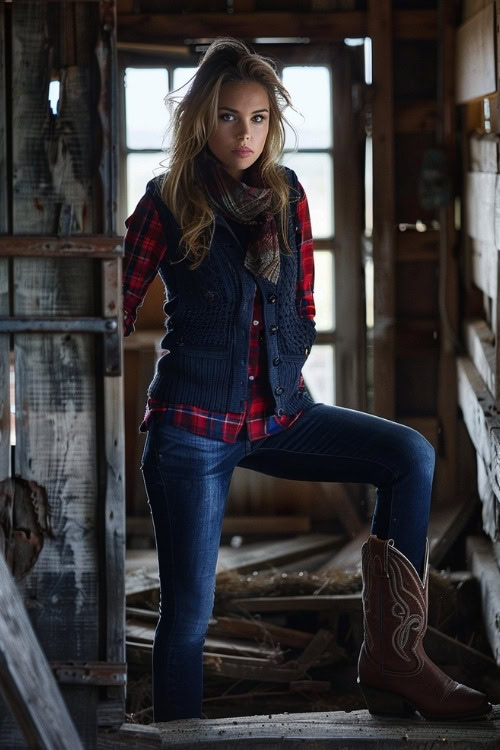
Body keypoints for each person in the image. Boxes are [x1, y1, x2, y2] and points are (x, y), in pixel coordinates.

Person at [122, 37, 491, 723]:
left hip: (280, 414)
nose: (244, 133)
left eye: (258, 117)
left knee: (409, 454)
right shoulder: (166, 201)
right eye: (229, 116)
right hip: (194, 430)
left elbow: (301, 304)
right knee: (188, 621)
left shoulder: (287, 196)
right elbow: (111, 305)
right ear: (202, 120)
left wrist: (284, 381)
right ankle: (176, 739)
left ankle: (394, 656)